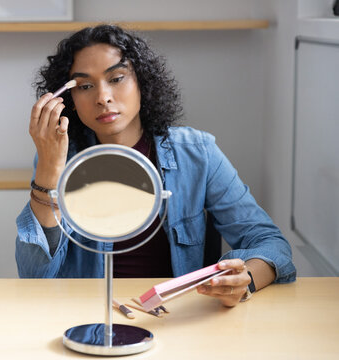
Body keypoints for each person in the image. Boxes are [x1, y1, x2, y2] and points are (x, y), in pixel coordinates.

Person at [15, 24, 296, 307]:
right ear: (70, 100)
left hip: (176, 319)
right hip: (86, 316)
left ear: (142, 82)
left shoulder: (197, 153)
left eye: (117, 78)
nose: (103, 97)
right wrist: (49, 171)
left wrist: (244, 279)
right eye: (85, 86)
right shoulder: (60, 159)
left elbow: (270, 243)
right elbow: (34, 276)